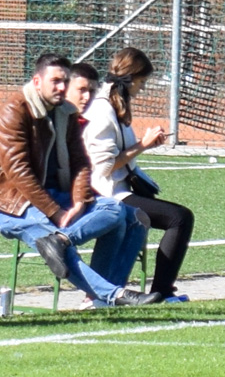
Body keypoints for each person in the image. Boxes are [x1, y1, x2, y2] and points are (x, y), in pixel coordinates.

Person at [0, 53, 161, 307]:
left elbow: (80, 163)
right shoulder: (15, 110)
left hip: (56, 194)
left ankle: (95, 298)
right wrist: (55, 212)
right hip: (14, 203)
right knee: (48, 237)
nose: (61, 87)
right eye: (55, 81)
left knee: (127, 215)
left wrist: (79, 201)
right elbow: (19, 172)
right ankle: (112, 295)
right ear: (37, 81)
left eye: (65, 81)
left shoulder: (66, 112)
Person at [77, 49, 196, 302]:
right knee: (179, 218)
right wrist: (143, 145)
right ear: (130, 79)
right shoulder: (102, 111)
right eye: (142, 82)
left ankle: (161, 291)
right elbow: (104, 167)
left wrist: (145, 144)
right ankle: (161, 291)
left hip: (119, 189)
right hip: (107, 193)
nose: (142, 88)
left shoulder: (115, 104)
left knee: (179, 217)